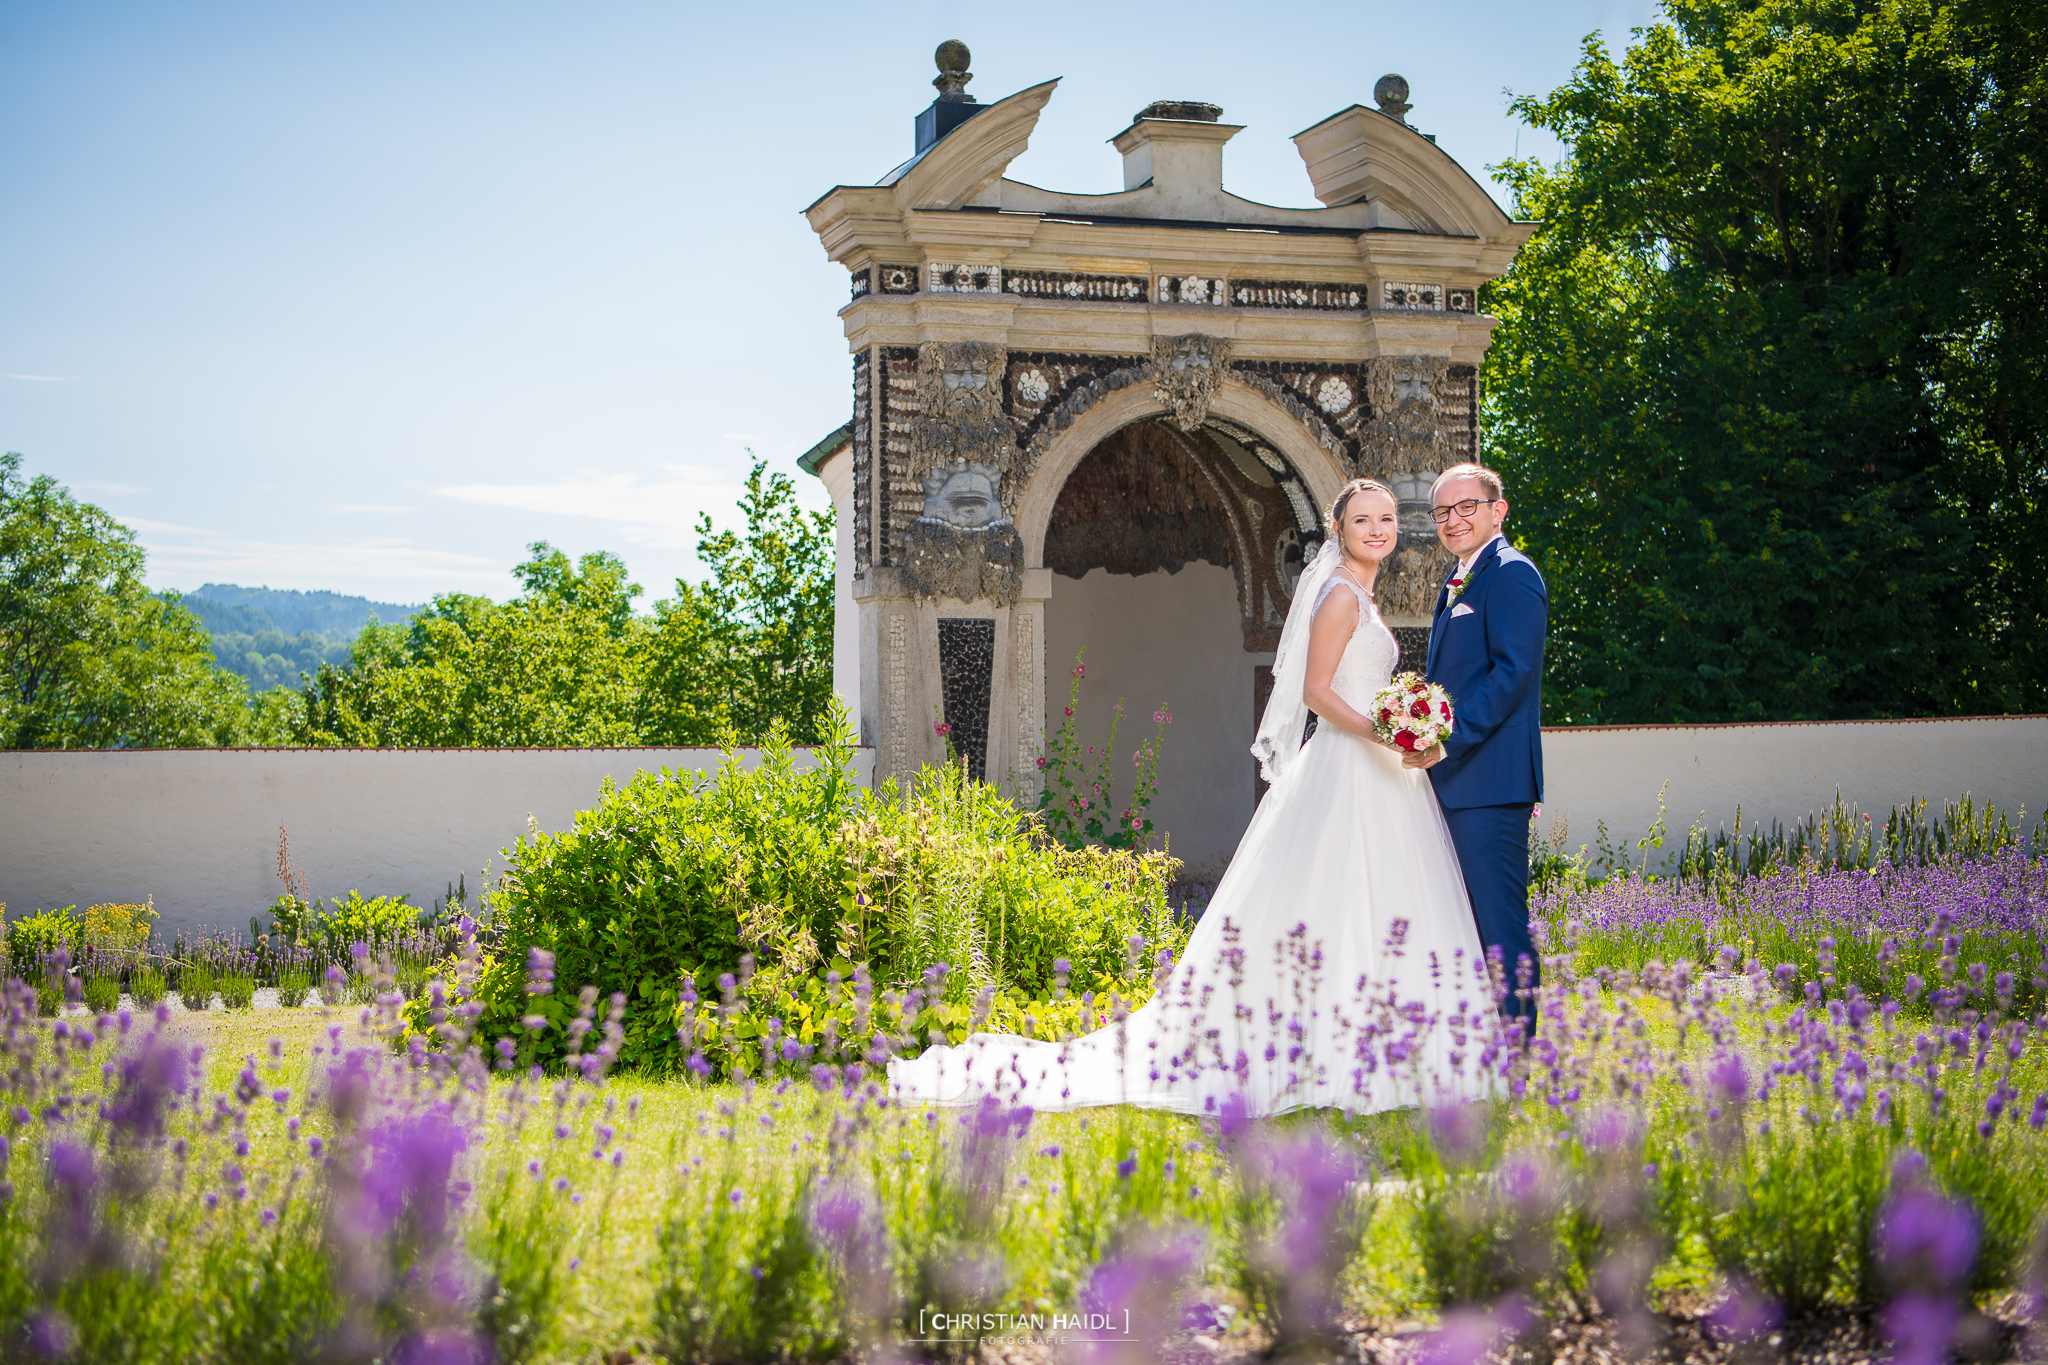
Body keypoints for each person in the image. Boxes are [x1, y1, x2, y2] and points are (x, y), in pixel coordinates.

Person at [886, 479, 1504, 1117]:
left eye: (1386, 520)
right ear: (1339, 530)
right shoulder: (1341, 598)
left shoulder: (1364, 600)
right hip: (1349, 761)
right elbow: (1317, 692)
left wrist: (1405, 722)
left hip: (1381, 766)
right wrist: (1383, 728)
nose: (1377, 530)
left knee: (1378, 899)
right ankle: (1332, 1052)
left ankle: (1385, 1050)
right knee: (1333, 896)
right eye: (1362, 521)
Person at [1404, 463, 1546, 1025]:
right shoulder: (1459, 578)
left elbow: (1512, 675)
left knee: (1499, 921)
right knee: (1461, 918)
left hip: (1489, 781)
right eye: (1443, 511)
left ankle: (1517, 1047)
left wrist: (1450, 738)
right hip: (1455, 778)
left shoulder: (1512, 574)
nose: (1454, 519)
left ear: (1498, 510)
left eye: (1467, 507)